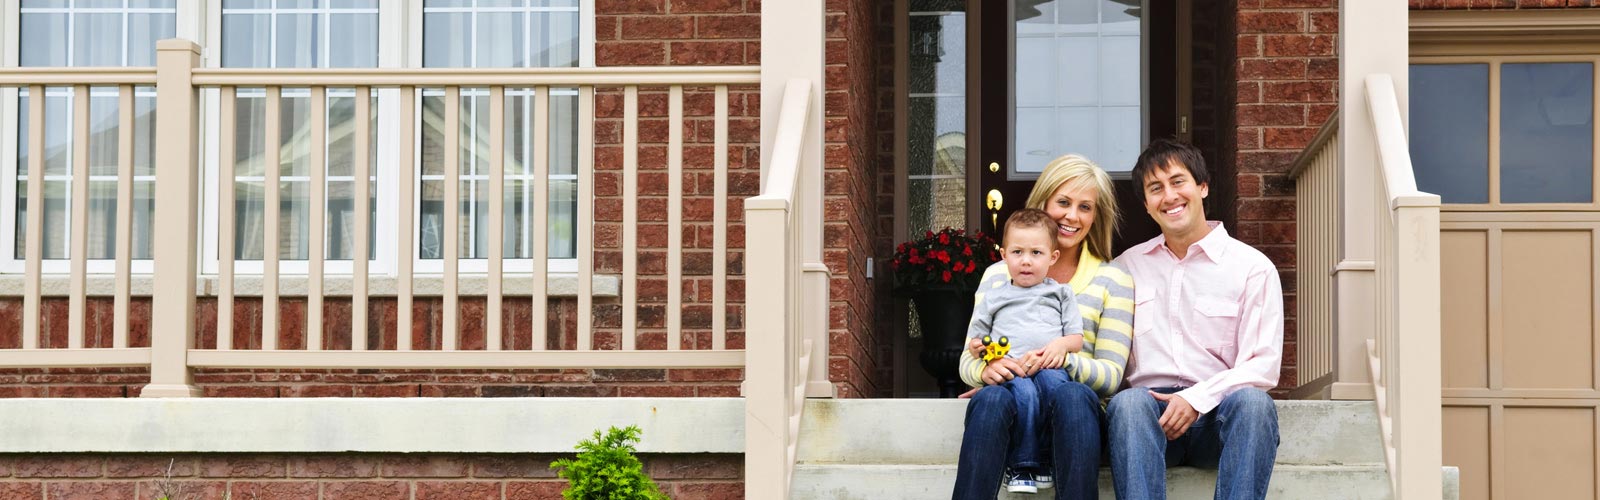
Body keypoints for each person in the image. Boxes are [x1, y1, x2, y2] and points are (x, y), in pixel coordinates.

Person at [1108, 138, 1283, 500]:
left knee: (1254, 405)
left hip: (1217, 415)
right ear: (1146, 205)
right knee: (1127, 403)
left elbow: (1263, 366)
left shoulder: (1251, 267)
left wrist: (1196, 399)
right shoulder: (1125, 268)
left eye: (1178, 181)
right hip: (1146, 419)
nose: (1169, 196)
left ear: (1202, 187)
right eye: (1155, 189)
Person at [952, 155, 1135, 500]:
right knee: (990, 399)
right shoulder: (998, 275)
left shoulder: (1114, 280)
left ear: (1096, 217)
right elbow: (968, 359)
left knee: (1073, 394)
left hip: (1074, 415)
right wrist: (988, 370)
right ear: (1043, 203)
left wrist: (1060, 358)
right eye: (1063, 202)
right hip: (1012, 400)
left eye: (1085, 207)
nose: (1072, 216)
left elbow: (1111, 376)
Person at [961, 208, 1086, 494]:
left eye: (1036, 253)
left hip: (1049, 367)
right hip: (1013, 368)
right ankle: (1025, 465)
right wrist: (983, 352)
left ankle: (1049, 458)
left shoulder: (1061, 293)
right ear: (1004, 255)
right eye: (1017, 252)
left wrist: (1059, 346)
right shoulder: (995, 295)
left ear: (1053, 257)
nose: (1026, 261)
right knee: (1026, 395)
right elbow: (975, 341)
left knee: (1058, 390)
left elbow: (1076, 339)